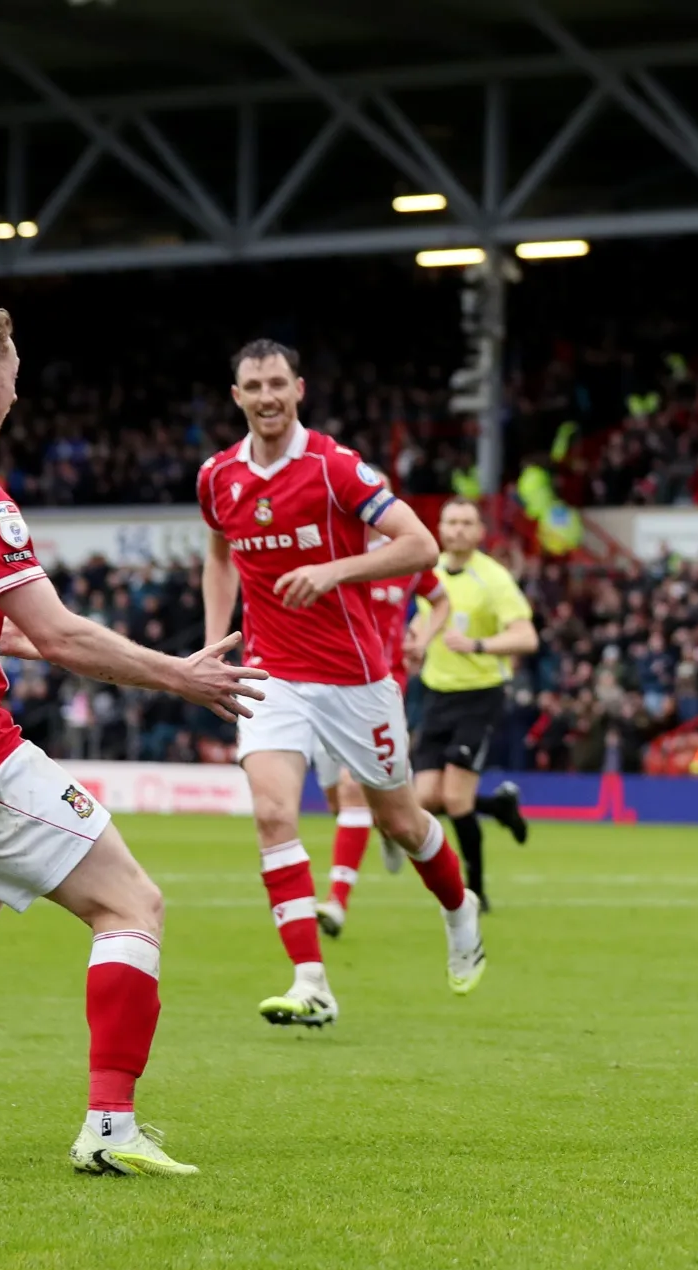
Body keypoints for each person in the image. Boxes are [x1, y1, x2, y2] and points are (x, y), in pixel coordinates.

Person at [0, 302, 265, 1176]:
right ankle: (110, 1126)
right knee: (132, 905)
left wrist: (53, 645)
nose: (14, 406)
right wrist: (182, 675)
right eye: (15, 387)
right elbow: (62, 633)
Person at [201, 339, 484, 1028]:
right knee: (273, 813)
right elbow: (218, 555)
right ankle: (311, 982)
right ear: (236, 396)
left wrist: (334, 572)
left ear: (298, 389)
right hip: (272, 674)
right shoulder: (216, 478)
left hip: (357, 681)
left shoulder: (334, 467)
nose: (266, 396)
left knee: (403, 820)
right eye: (252, 386)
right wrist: (215, 643)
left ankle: (459, 907)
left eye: (277, 383)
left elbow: (420, 545)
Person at [313, 511, 441, 939]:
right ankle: (389, 820)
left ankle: (336, 901)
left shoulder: (402, 561)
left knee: (352, 791)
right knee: (337, 801)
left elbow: (441, 599)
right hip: (323, 686)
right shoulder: (326, 555)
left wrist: (422, 637)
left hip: (379, 689)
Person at [409, 498, 537, 913]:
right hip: (436, 694)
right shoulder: (428, 573)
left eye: (467, 523)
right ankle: (499, 805)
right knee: (425, 798)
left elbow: (526, 637)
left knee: (458, 800)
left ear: (480, 532)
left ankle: (476, 894)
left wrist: (477, 646)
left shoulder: (494, 578)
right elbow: (419, 624)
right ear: (440, 529)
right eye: (451, 522)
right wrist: (412, 648)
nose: (458, 530)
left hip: (480, 696)